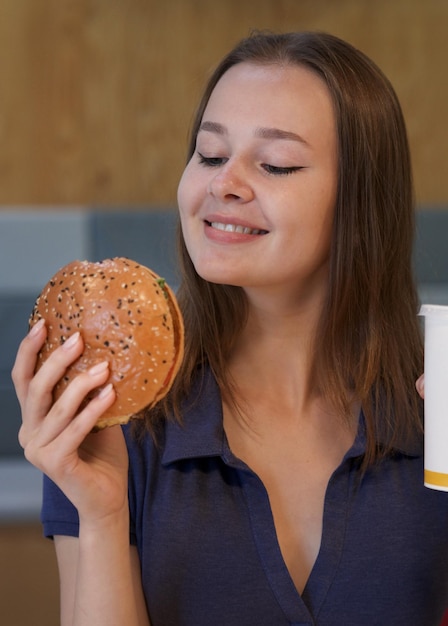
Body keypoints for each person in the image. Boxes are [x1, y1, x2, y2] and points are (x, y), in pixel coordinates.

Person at [12, 30, 448, 626]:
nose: (223, 183)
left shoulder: (438, 405)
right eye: (210, 154)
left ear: (360, 200)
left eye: (276, 164)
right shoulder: (113, 414)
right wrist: (104, 516)